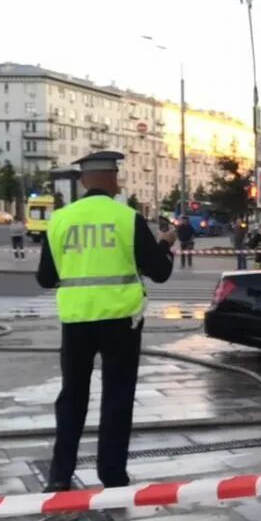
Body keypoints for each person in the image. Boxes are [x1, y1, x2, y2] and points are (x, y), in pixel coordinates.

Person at [36, 151, 176, 492]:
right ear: (114, 180)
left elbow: (45, 278)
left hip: (76, 319)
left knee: (72, 396)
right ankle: (112, 475)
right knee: (117, 396)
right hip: (120, 320)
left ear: (83, 181)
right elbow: (160, 272)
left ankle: (59, 475)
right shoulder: (127, 218)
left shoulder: (60, 220)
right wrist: (165, 245)